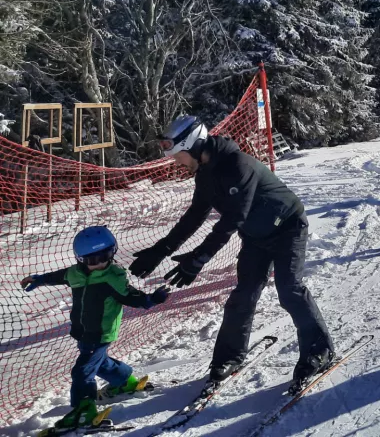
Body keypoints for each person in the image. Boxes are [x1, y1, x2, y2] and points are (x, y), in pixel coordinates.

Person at [129, 115, 332, 392]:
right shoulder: (205, 174)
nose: (176, 161)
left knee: (290, 290)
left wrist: (198, 259)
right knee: (243, 295)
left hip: (287, 227)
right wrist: (161, 249)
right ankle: (230, 357)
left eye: (177, 155)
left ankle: (318, 352)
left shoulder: (239, 166)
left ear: (193, 145)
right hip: (256, 235)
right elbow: (195, 216)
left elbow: (231, 220)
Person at [22, 227, 168, 431]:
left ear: (113, 252)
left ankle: (84, 411)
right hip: (82, 332)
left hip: (101, 333)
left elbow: (131, 296)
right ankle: (126, 381)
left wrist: (151, 299)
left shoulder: (113, 277)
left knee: (82, 372)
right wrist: (39, 280)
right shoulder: (74, 273)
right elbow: (58, 276)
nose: (99, 264)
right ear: (81, 259)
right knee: (99, 363)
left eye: (105, 256)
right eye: (92, 260)